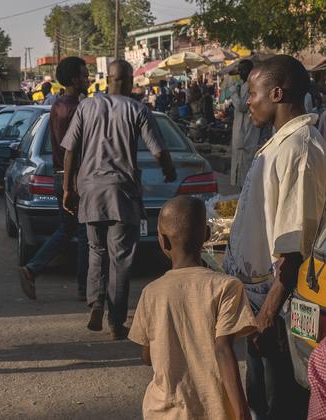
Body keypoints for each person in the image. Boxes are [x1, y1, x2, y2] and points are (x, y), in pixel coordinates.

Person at [223, 54, 326, 420]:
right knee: (260, 398)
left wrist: (267, 314)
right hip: (260, 298)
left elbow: (294, 249)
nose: (247, 100)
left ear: (277, 93)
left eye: (253, 92)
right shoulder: (280, 143)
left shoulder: (301, 149)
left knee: (278, 402)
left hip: (281, 304)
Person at [61, 60, 177, 340]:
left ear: (108, 79)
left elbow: (70, 151)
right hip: (122, 192)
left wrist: (68, 187)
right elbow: (158, 151)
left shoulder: (86, 107)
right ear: (128, 81)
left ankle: (96, 300)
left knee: (96, 250)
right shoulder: (138, 110)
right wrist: (169, 171)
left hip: (89, 190)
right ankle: (116, 321)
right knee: (121, 258)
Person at [129, 196, 256, 420]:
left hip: (163, 412)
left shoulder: (151, 292)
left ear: (163, 242)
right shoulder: (226, 287)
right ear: (207, 235)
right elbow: (223, 349)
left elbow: (147, 356)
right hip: (213, 411)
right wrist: (242, 412)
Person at [19, 56, 90, 301]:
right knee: (83, 233)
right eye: (83, 75)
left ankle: (32, 268)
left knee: (67, 229)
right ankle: (84, 287)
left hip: (60, 177)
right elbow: (76, 148)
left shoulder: (57, 105)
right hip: (74, 178)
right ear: (73, 79)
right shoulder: (77, 109)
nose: (87, 79)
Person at [230, 59, 267, 186]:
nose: (240, 73)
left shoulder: (251, 86)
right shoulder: (242, 85)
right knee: (239, 168)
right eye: (239, 70)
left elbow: (241, 106)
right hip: (240, 132)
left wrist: (233, 92)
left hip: (247, 132)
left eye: (243, 70)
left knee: (246, 169)